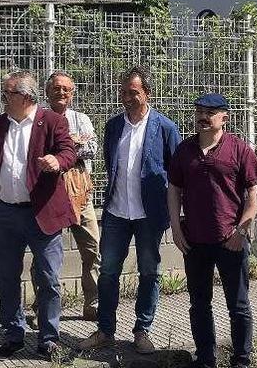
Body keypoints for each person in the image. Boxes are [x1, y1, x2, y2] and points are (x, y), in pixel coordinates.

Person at [78, 65, 181, 354]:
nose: (126, 97)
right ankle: (105, 330)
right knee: (109, 271)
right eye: (123, 92)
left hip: (149, 215)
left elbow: (177, 173)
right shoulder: (113, 126)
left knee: (150, 271)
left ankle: (142, 330)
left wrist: (174, 214)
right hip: (116, 212)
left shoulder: (165, 127)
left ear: (147, 93)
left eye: (133, 92)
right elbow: (112, 164)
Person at [0, 71, 78, 361]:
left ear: (25, 96)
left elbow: (69, 152)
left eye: (7, 93)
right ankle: (13, 335)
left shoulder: (52, 121)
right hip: (5, 213)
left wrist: (56, 161)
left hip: (41, 213)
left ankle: (48, 339)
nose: (3, 98)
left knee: (48, 277)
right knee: (6, 277)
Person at [168, 94, 257, 368]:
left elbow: (253, 191)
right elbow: (174, 189)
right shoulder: (184, 150)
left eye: (210, 112)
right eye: (199, 111)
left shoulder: (239, 149)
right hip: (194, 240)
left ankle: (242, 359)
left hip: (230, 240)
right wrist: (176, 227)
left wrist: (242, 230)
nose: (203, 117)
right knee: (199, 304)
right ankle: (206, 357)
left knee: (239, 305)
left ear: (224, 117)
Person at [31, 72, 101, 323]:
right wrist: (72, 143)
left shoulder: (81, 118)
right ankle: (42, 307)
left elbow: (92, 148)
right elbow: (38, 153)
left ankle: (93, 303)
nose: (61, 93)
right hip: (49, 194)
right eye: (56, 89)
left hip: (81, 193)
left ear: (72, 93)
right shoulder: (38, 119)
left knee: (93, 249)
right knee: (45, 254)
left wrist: (61, 148)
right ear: (47, 92)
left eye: (66, 89)